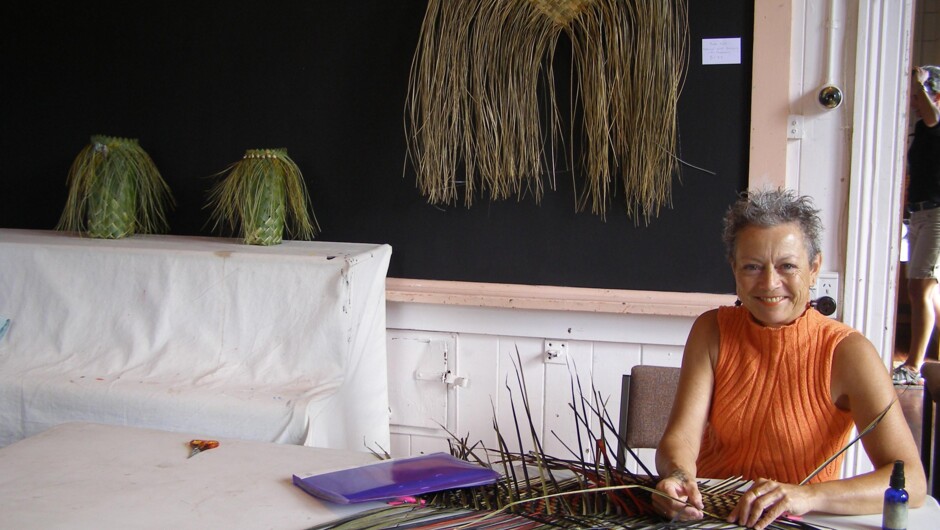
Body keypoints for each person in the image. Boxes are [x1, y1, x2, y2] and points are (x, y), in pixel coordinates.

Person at [652, 189, 926, 529]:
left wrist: (807, 496)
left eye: (787, 266)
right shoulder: (712, 331)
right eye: (752, 266)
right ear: (734, 269)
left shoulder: (848, 352)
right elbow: (681, 439)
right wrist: (678, 476)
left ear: (814, 269)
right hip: (711, 516)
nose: (770, 283)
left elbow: (911, 481)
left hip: (796, 522)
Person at [895, 65, 940, 385]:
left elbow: (930, 111)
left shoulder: (935, 121)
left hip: (937, 215)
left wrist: (919, 82)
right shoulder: (924, 130)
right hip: (921, 213)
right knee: (928, 290)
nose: (912, 100)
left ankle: (912, 366)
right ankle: (921, 360)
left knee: (919, 288)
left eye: (916, 96)